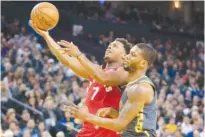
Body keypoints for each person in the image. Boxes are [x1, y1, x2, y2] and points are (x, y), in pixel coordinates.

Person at [29, 20, 132, 137]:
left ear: (125, 56)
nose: (109, 46)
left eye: (115, 46)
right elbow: (66, 59)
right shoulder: (97, 70)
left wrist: (79, 55)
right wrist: (46, 35)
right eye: (110, 44)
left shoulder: (124, 73)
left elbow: (103, 78)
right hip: (87, 131)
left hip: (108, 133)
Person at [64, 44, 157, 137]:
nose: (127, 56)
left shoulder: (139, 88)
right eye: (129, 53)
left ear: (143, 64)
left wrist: (86, 116)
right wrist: (112, 112)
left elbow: (119, 125)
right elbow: (132, 120)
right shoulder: (132, 84)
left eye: (133, 55)